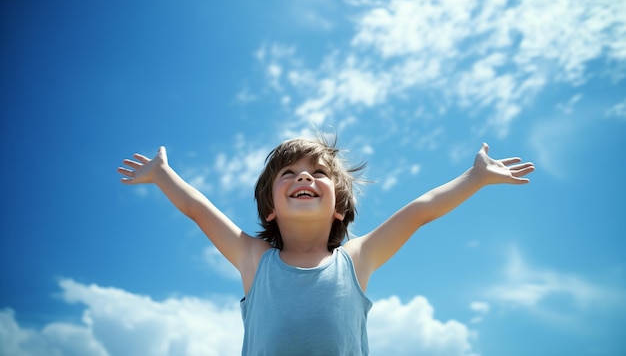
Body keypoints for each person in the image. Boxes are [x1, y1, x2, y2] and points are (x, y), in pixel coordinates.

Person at [117, 135, 534, 355]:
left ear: (339, 209)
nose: (304, 178)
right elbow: (197, 208)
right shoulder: (254, 258)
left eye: (317, 173)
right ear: (269, 211)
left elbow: (421, 210)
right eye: (290, 173)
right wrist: (162, 174)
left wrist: (475, 177)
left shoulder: (356, 259)